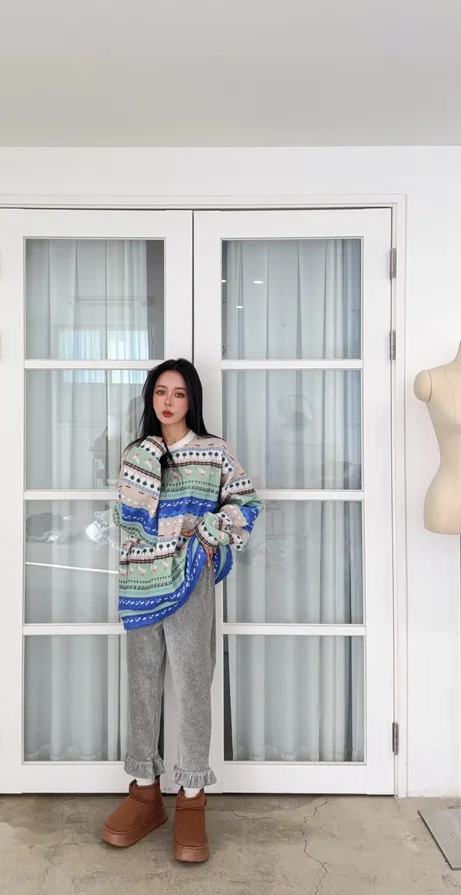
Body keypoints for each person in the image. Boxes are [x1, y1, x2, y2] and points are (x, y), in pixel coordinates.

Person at [101, 359, 263, 863]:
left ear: (192, 399)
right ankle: (144, 790)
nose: (167, 402)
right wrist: (151, 457)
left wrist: (210, 536)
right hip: (141, 580)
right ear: (150, 398)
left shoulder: (214, 452)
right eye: (160, 393)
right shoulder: (138, 453)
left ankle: (192, 796)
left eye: (178, 393)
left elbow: (246, 502)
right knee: (142, 684)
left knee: (193, 685)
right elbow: (130, 519)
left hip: (191, 579)